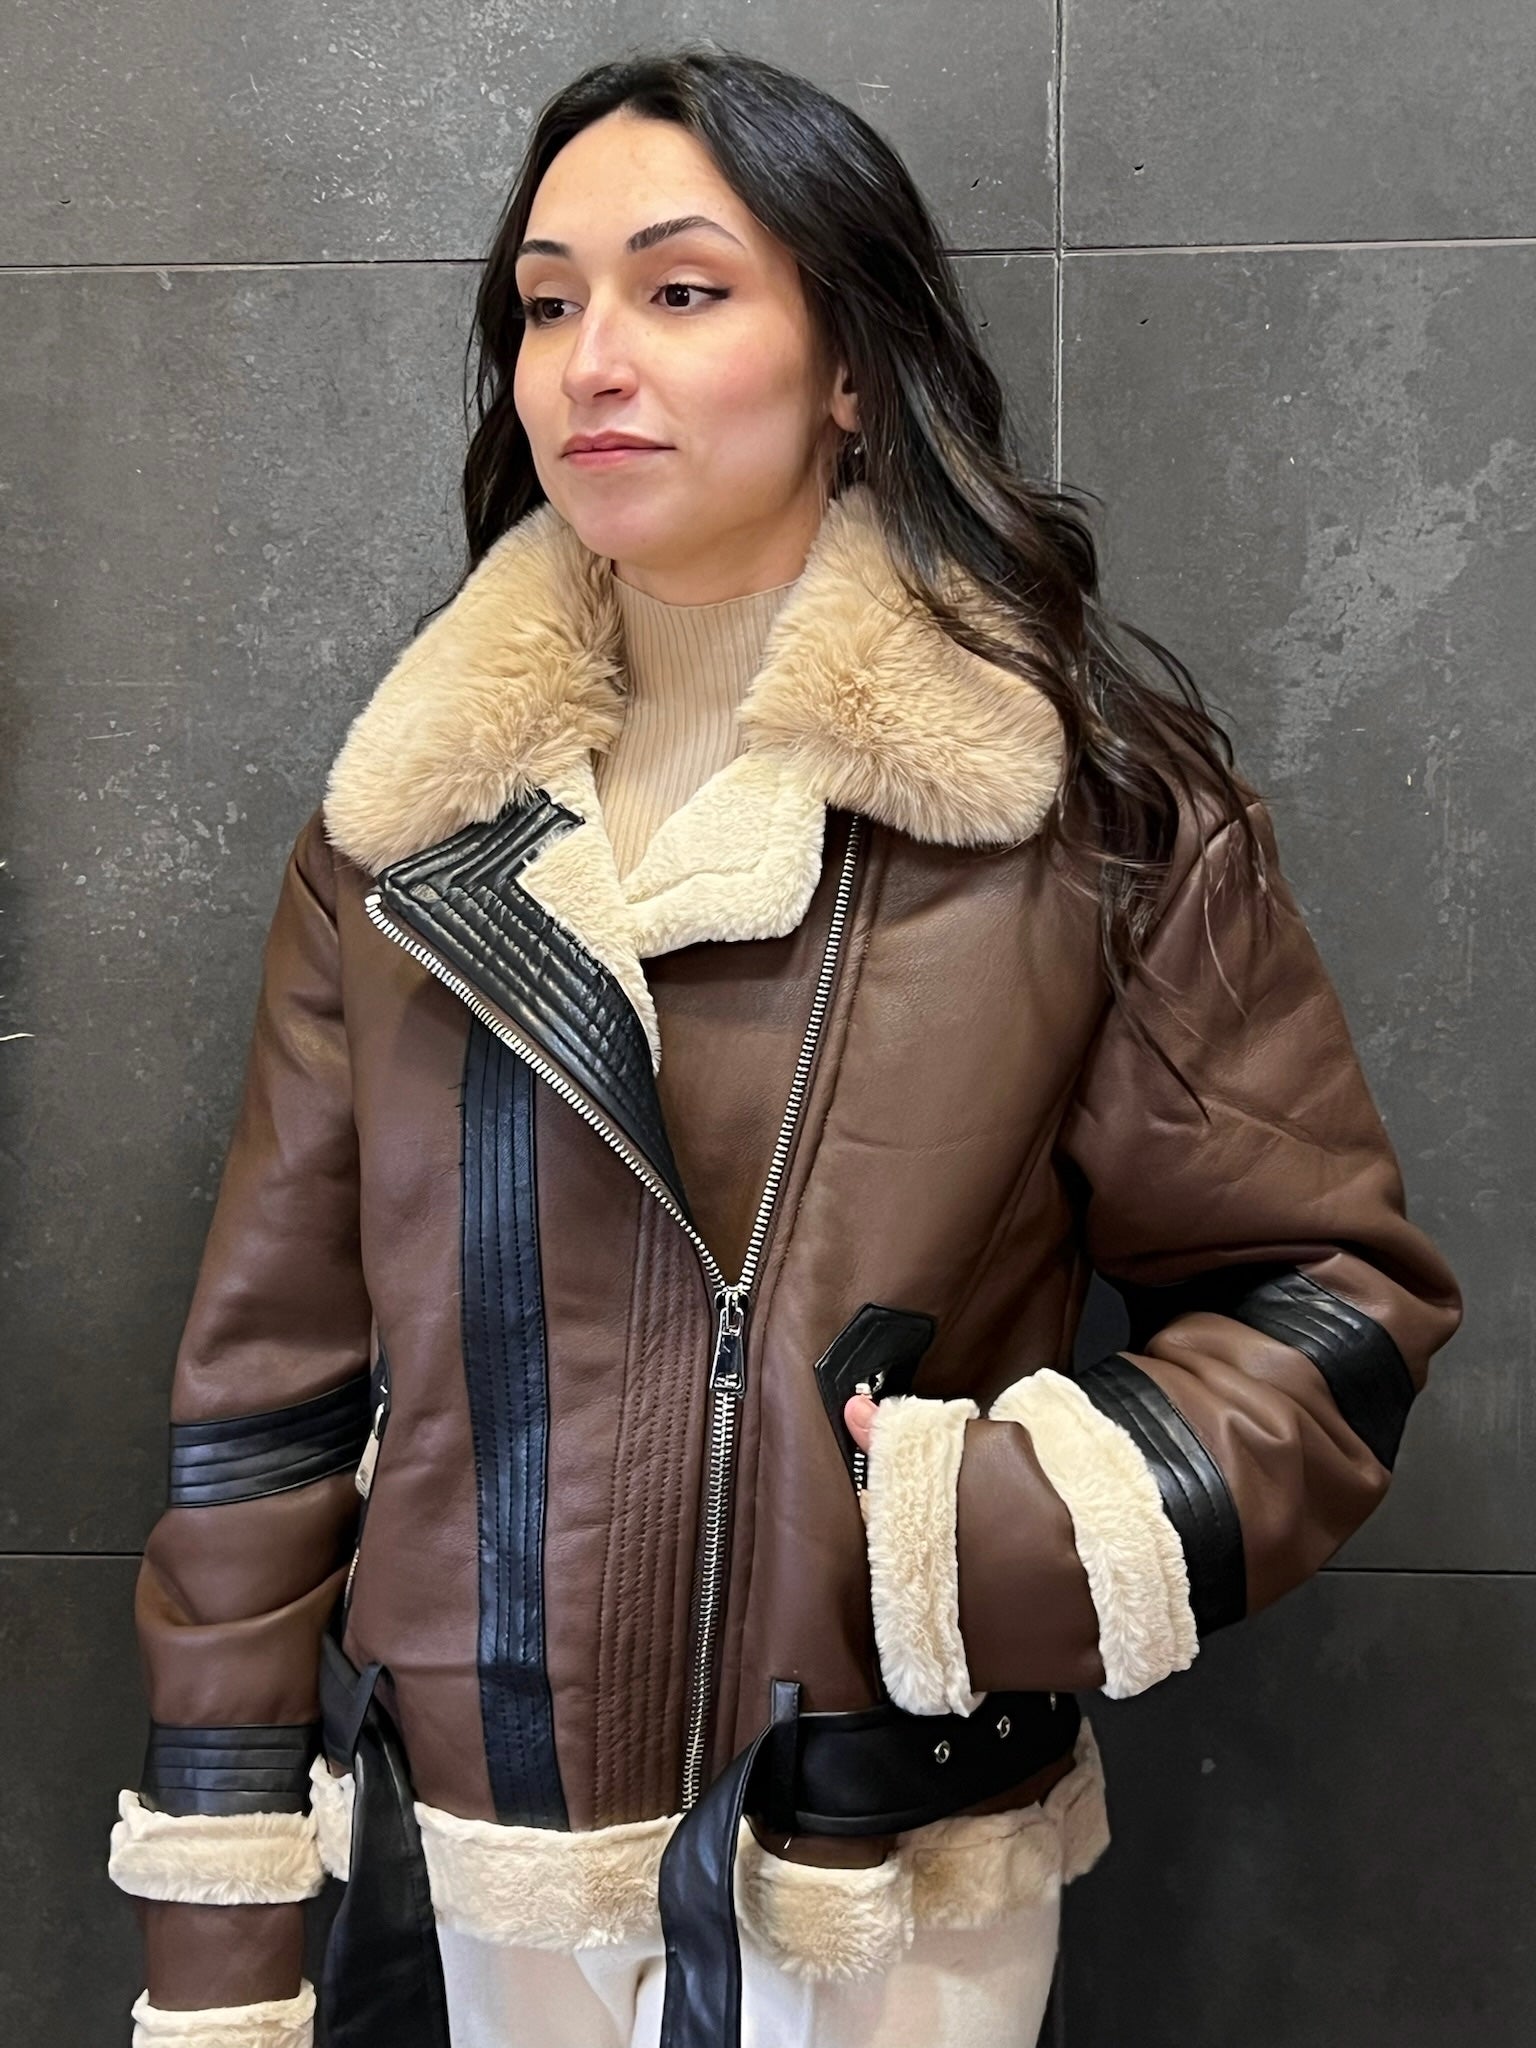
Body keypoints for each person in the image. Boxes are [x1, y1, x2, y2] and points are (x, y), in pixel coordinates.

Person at [106, 43, 1462, 2048]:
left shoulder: (1076, 812)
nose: (589, 362)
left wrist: (979, 1538)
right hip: (485, 1858)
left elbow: (1329, 1301)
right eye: (546, 305)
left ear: (848, 366)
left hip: (883, 1880)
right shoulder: (398, 838)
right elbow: (263, 1421)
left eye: (680, 289)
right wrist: (225, 1943)